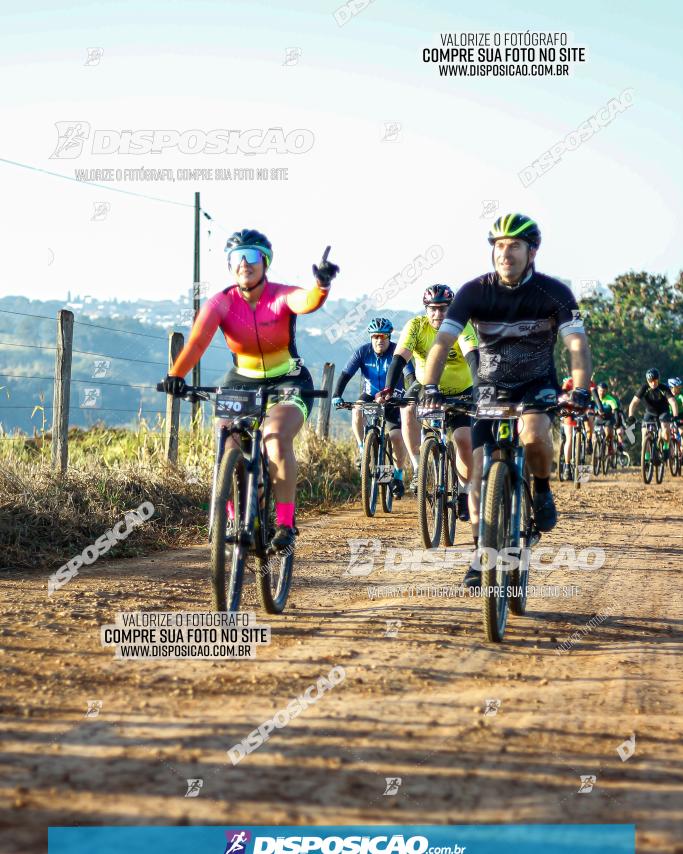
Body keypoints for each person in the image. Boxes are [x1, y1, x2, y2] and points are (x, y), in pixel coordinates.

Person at [420, 213, 592, 588]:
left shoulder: (554, 292)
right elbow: (443, 342)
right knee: (479, 469)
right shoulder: (474, 292)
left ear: (532, 251)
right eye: (498, 246)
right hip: (489, 387)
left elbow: (576, 343)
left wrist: (579, 387)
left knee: (532, 435)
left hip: (536, 383)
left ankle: (542, 491)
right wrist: (429, 386)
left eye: (513, 245)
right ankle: (482, 550)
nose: (505, 253)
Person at [161, 229, 339, 551]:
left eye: (253, 256)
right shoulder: (221, 302)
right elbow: (198, 342)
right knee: (228, 441)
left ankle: (285, 524)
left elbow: (307, 301)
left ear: (265, 262)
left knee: (274, 436)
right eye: (236, 257)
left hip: (288, 378)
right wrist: (176, 374)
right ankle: (232, 515)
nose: (245, 263)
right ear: (230, 265)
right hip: (241, 378)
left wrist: (321, 285)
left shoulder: (280, 295)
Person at [377, 285, 478, 522]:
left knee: (463, 439)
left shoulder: (461, 325)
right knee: (407, 407)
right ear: (426, 309)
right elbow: (399, 358)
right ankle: (418, 467)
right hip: (426, 386)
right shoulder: (415, 326)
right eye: (432, 309)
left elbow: (473, 355)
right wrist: (390, 388)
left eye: (443, 309)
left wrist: (480, 387)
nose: (438, 314)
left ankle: (464, 492)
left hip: (461, 390)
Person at [332, 318, 411, 498]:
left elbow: (410, 374)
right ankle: (363, 449)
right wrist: (337, 394)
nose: (379, 340)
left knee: (396, 436)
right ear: (370, 337)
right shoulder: (363, 352)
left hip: (393, 397)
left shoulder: (398, 352)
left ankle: (397, 475)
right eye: (375, 336)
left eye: (383, 336)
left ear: (389, 337)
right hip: (369, 395)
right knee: (357, 409)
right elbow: (345, 374)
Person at [628, 368, 679, 458]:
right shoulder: (644, 388)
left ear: (658, 379)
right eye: (650, 381)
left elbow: (673, 402)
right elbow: (634, 403)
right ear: (647, 381)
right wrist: (631, 415)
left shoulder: (664, 388)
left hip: (663, 412)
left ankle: (666, 447)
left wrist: (675, 416)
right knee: (644, 434)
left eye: (655, 380)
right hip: (650, 413)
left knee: (665, 428)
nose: (653, 383)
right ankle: (647, 457)